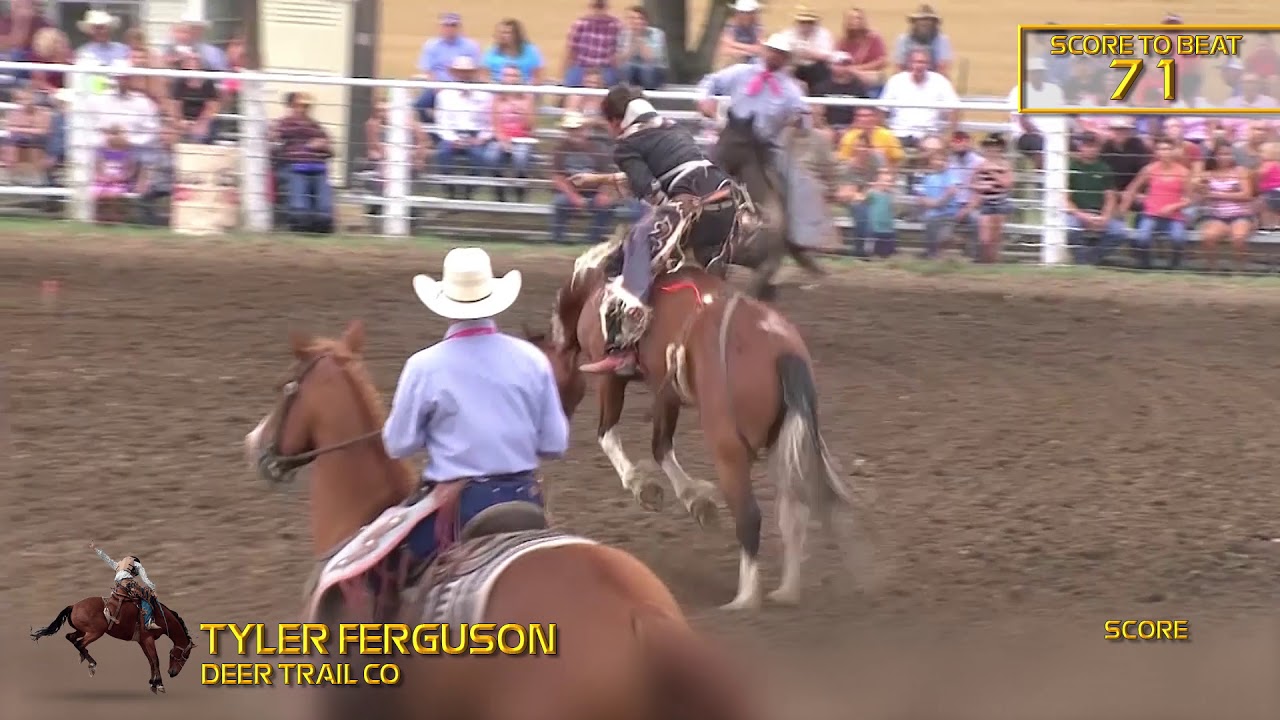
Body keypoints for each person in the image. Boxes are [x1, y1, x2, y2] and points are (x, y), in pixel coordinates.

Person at [383, 248, 569, 560]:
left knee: (395, 563)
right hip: (525, 500)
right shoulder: (532, 360)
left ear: (446, 305)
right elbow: (555, 444)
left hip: (460, 507)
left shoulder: (424, 366)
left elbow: (398, 445)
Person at [571, 85, 741, 376]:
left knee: (632, 246)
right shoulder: (671, 126)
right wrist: (598, 179)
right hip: (725, 200)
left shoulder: (626, 144)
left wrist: (663, 211)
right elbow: (666, 170)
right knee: (708, 263)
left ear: (615, 121)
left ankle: (623, 347)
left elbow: (648, 186)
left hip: (689, 204)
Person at [89, 542, 159, 630]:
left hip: (118, 585)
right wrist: (153, 589)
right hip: (128, 584)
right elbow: (145, 579)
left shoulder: (118, 565)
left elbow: (107, 559)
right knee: (146, 596)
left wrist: (95, 549)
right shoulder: (137, 564)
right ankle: (148, 622)